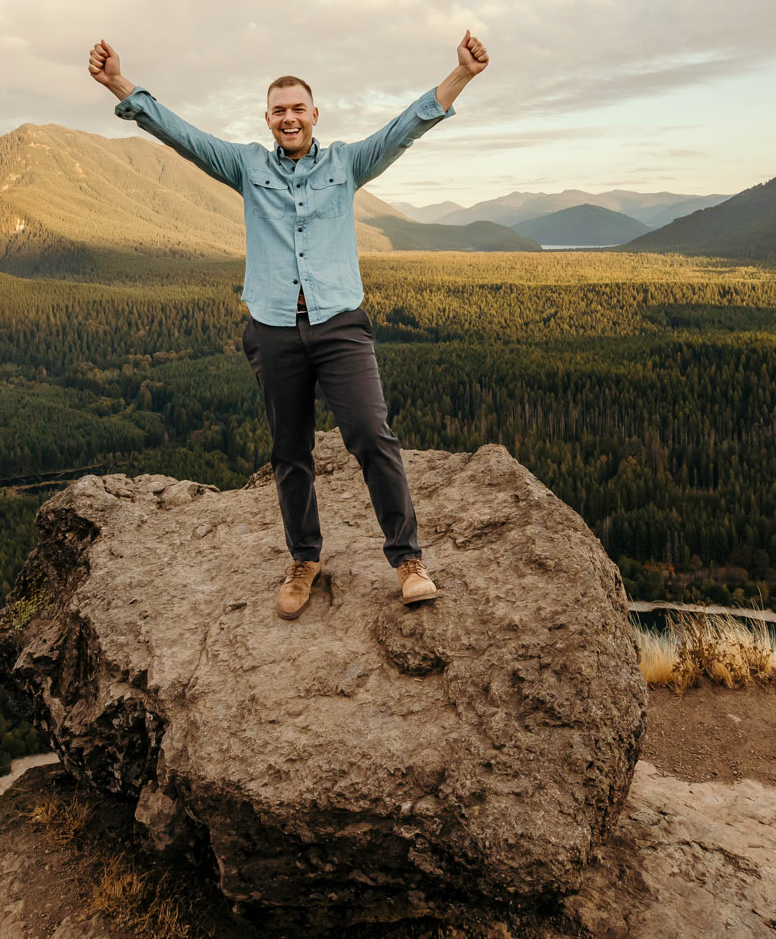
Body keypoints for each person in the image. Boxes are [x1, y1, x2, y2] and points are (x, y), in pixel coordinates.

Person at [89, 34, 490, 619]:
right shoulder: (247, 166)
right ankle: (305, 559)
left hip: (339, 325)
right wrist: (120, 86)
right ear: (268, 119)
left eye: (298, 108)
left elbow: (407, 126)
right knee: (289, 450)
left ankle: (407, 561)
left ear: (314, 115)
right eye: (278, 110)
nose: (289, 118)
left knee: (372, 437)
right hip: (274, 328)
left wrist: (462, 75)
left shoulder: (346, 162)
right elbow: (180, 135)